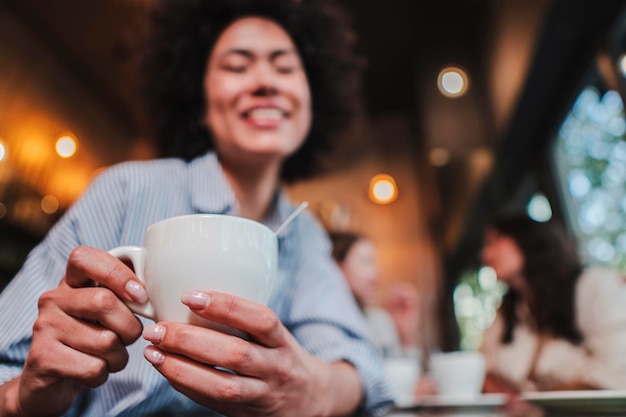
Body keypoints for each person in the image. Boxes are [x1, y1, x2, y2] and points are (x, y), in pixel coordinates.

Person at [0, 1, 394, 416]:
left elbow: (360, 365)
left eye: (284, 67)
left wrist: (319, 390)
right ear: (199, 101)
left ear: (311, 100)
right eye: (237, 66)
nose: (264, 82)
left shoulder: (304, 231)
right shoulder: (125, 190)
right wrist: (21, 398)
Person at [479, 213, 626, 393]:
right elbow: (483, 369)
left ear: (528, 240)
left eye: (494, 242)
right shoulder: (509, 311)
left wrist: (535, 401)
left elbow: (615, 373)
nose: (486, 255)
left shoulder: (593, 286)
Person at [329, 232, 402, 358]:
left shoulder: (380, 321)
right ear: (336, 266)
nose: (377, 273)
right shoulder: (322, 328)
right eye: (366, 262)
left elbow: (400, 368)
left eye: (375, 263)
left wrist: (405, 333)